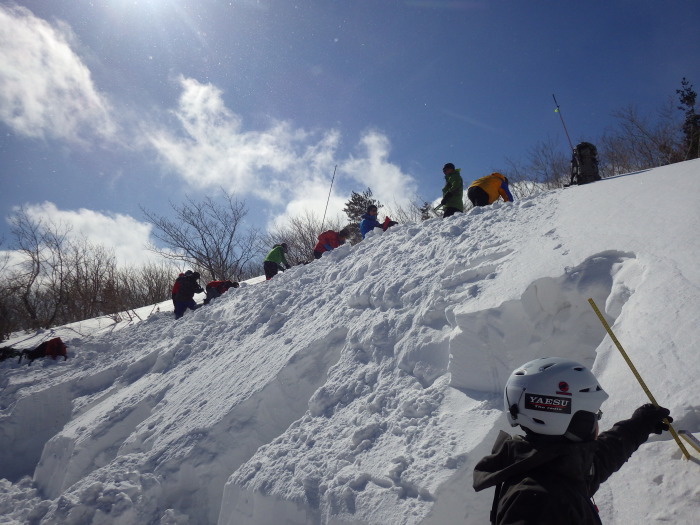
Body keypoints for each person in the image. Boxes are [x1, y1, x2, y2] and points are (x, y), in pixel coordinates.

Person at [473, 357, 673, 525]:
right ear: (574, 422)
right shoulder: (539, 504)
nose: (596, 421)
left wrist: (640, 424)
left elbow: (599, 459)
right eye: (594, 414)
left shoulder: (548, 466)